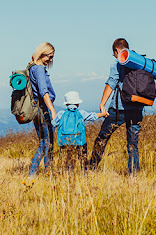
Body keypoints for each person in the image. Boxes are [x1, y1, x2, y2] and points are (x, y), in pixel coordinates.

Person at [89, 38, 144, 177]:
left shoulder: (118, 64)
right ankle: (133, 177)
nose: (114, 56)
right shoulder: (140, 63)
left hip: (119, 109)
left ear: (117, 50)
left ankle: (90, 169)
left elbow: (111, 83)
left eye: (114, 53)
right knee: (133, 145)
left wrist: (102, 104)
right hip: (137, 109)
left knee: (102, 138)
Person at [52, 91, 108, 174]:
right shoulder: (81, 113)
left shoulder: (61, 113)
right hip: (80, 141)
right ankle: (85, 173)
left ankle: (69, 175)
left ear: (66, 104)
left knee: (68, 160)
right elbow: (92, 116)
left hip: (64, 142)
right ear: (77, 104)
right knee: (83, 158)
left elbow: (53, 123)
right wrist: (103, 114)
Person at [28, 42, 57, 179]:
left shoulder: (32, 67)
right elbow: (44, 91)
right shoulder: (39, 69)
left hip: (35, 109)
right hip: (43, 109)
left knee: (43, 143)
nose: (50, 60)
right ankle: (47, 176)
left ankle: (32, 175)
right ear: (42, 54)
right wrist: (52, 110)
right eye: (49, 57)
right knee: (48, 144)